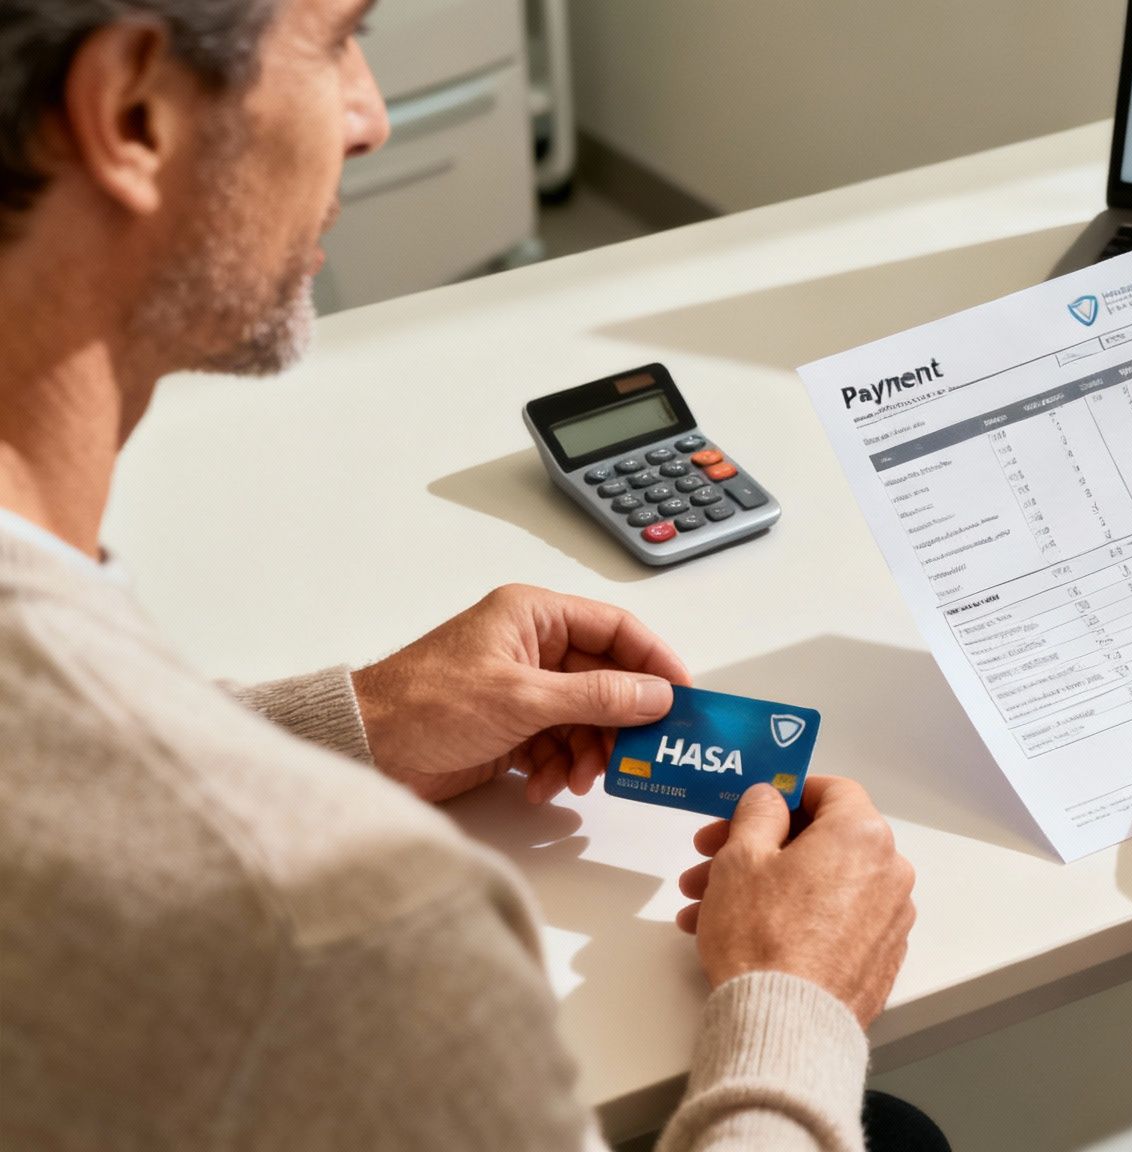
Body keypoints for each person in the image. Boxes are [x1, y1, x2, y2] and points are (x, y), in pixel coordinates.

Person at [0, 2, 939, 1149]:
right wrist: (798, 1005)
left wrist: (351, 725)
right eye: (337, 40)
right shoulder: (354, 930)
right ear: (130, 112)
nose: (371, 116)